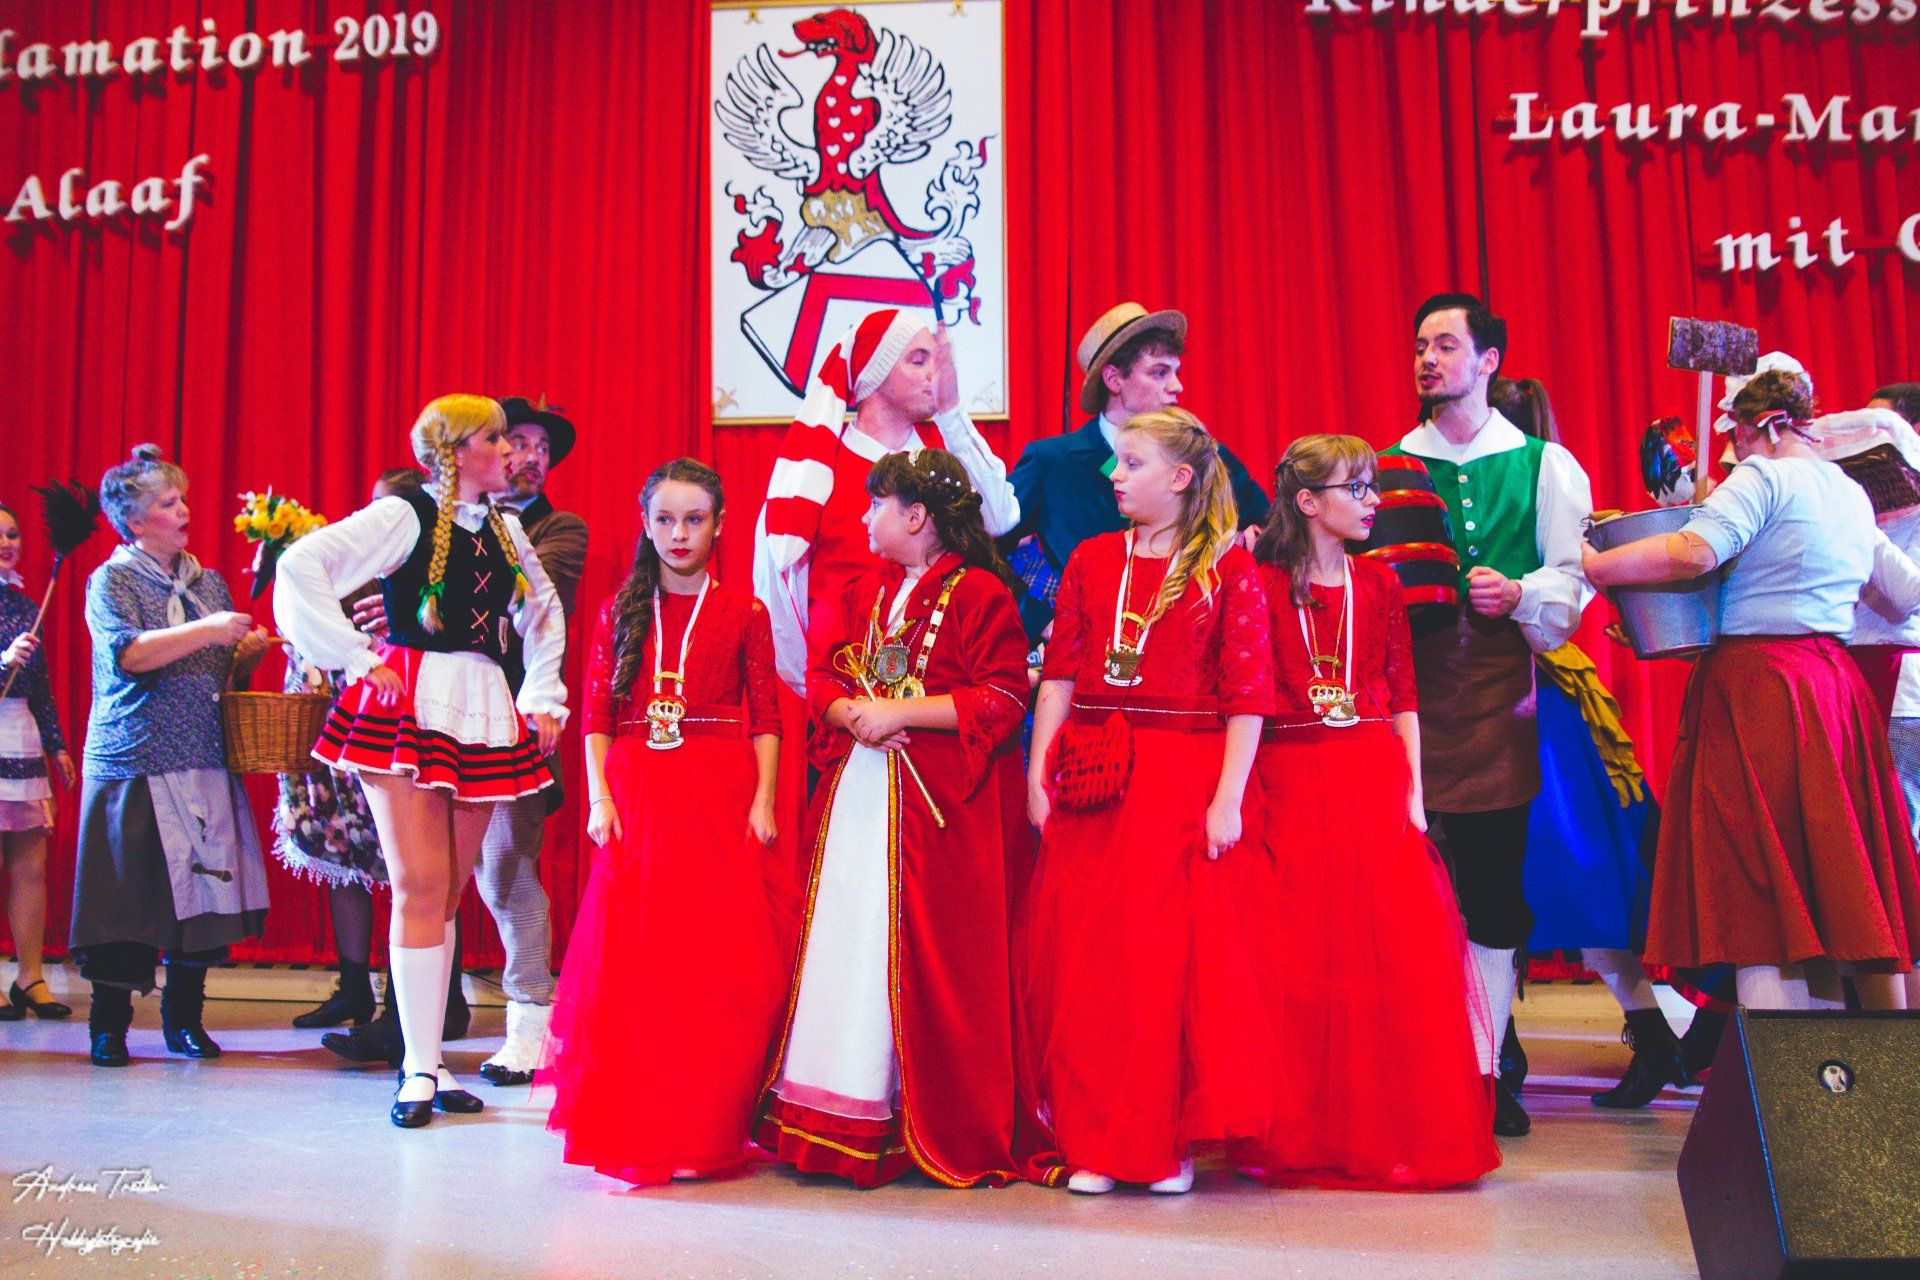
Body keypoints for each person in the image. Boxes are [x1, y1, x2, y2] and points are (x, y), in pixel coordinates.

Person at [1583, 369, 1920, 1011]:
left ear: (1764, 424)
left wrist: (1598, 566)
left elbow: (1693, 551)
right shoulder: (1847, 492)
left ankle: (1783, 1071)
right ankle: (1863, 1069)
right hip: (1832, 687)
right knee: (1837, 888)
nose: (1731, 448)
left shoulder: (1763, 477)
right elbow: (1905, 595)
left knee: (1759, 900)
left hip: (1760, 690)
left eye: (1736, 432)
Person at [274, 395, 567, 1127]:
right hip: (409, 701)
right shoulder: (405, 513)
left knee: (446, 895)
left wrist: (542, 695)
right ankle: (416, 1069)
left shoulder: (504, 528)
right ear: (457, 451)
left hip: (479, 703)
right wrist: (354, 655)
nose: (510, 451)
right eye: (495, 439)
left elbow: (543, 611)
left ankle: (431, 1061)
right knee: (417, 888)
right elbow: (302, 564)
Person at [756, 449, 1034, 1188]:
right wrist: (852, 713)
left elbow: (1006, 696)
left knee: (922, 954)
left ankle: (923, 1114)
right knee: (848, 944)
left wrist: (901, 713)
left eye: (876, 504)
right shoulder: (862, 589)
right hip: (857, 803)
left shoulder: (981, 595)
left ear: (916, 517)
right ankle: (836, 1112)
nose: (864, 517)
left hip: (941, 816)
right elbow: (820, 676)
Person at [1022, 408, 1279, 1195]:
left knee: (1165, 965)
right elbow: (1060, 675)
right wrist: (1038, 775)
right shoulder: (1093, 559)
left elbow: (1248, 695)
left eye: (1132, 463)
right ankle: (1098, 1140)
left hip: (1181, 781)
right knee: (1093, 962)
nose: (1115, 475)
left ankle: (1164, 1143)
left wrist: (1228, 800)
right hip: (1096, 777)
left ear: (1180, 477)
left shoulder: (1227, 568)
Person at [1247, 433, 1498, 1189]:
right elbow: (1245, 696)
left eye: (1371, 488)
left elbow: (1403, 694)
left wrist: (1413, 793)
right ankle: (1301, 1128)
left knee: (1386, 956)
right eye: (1355, 488)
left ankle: (1382, 1127)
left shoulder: (1380, 584)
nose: (1371, 502)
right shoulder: (1260, 584)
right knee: (1298, 956)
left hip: (1369, 775)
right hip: (1290, 776)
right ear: (1307, 502)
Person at [1384, 293, 1595, 1137]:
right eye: (1420, 346)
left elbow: (1571, 577)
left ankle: (1488, 1064)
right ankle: (1423, 1058)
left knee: (1493, 890)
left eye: (1445, 345)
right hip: (1405, 699)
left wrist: (1521, 592)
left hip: (1496, 695)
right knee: (1412, 890)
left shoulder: (1544, 465)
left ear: (1488, 360)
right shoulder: (1390, 464)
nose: (1428, 359)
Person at [545, 459, 786, 1185]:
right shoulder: (619, 612)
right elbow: (596, 715)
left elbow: (766, 717)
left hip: (717, 793)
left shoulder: (745, 613)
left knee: (712, 964)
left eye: (694, 520)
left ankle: (704, 1121)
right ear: (645, 525)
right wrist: (600, 798)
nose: (679, 534)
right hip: (638, 795)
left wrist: (763, 799)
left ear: (718, 526)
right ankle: (642, 1120)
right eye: (665, 519)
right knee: (638, 961)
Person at [1486, 375, 1701, 1110]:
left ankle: (1504, 1053)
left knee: (1528, 879)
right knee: (1574, 877)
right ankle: (1630, 1037)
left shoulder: (1531, 487)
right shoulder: (1555, 487)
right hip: (1540, 698)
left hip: (1525, 702)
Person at [70, 445, 275, 1066]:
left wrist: (244, 657)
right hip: (134, 757)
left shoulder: (206, 583)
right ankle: (108, 1026)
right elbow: (129, 655)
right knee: (124, 898)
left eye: (182, 498)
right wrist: (208, 630)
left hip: (201, 754)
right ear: (134, 521)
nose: (184, 509)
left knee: (201, 897)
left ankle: (184, 1020)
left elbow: (216, 674)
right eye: (168, 502)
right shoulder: (112, 580)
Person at [753, 309, 1020, 695]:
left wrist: (952, 413)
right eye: (918, 360)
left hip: (936, 693)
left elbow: (999, 517)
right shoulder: (814, 474)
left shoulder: (942, 460)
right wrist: (822, 692)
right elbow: (780, 598)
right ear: (874, 374)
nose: (935, 374)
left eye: (937, 361)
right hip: (844, 692)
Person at [1004, 303, 1271, 642]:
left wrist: (1246, 539)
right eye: (1159, 373)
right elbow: (987, 543)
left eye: (1176, 372)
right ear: (1114, 379)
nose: (1177, 386)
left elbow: (1268, 524)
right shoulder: (1051, 461)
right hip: (1085, 644)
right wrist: (1040, 618)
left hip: (1179, 640)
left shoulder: (1201, 454)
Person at [274, 469, 424, 1032]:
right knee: (342, 859)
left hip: (389, 729)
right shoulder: (338, 561)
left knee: (412, 870)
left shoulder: (423, 574)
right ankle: (354, 987)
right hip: (331, 729)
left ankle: (407, 1001)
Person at [0, 503, 76, 1021]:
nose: (8, 543)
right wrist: (2, 660)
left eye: (13, 534)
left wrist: (57, 745)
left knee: (30, 866)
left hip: (20, 736)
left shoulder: (30, 606)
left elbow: (42, 688)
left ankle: (30, 977)